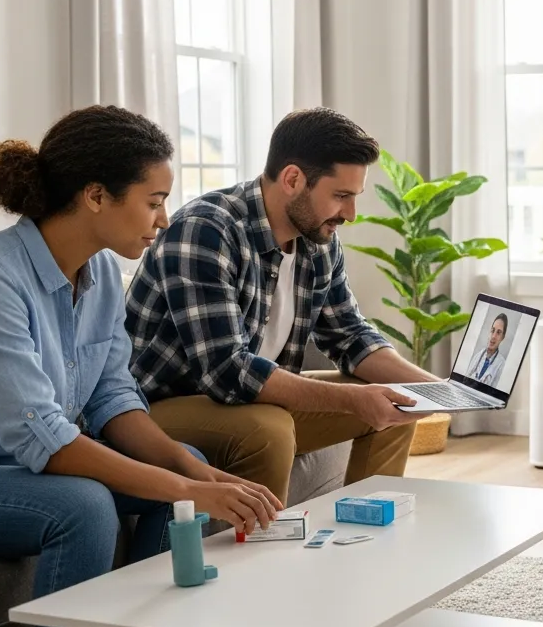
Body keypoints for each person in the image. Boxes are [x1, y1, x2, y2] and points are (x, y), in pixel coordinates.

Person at [0, 105, 282, 627]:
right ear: (96, 195)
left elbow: (110, 396)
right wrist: (185, 488)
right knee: (84, 506)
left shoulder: (100, 270)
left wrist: (191, 472)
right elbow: (45, 439)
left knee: (186, 468)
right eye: (154, 201)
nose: (164, 219)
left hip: (8, 467)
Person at [124, 107, 435, 504]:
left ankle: (365, 534)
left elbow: (350, 337)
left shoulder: (318, 242)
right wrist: (352, 399)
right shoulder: (206, 230)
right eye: (340, 196)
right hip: (154, 410)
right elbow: (227, 372)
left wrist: (438, 390)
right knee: (268, 427)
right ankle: (264, 543)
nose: (350, 214)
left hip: (244, 400)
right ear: (292, 179)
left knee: (399, 402)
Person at [466, 313, 508, 386]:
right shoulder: (478, 355)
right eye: (492, 330)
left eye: (498, 332)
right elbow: (465, 380)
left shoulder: (501, 365)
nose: (493, 336)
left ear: (502, 337)